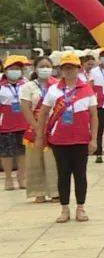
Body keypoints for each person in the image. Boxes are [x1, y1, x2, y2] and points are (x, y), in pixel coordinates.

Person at [36, 52, 97, 223]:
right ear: (61, 70)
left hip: (80, 139)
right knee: (63, 174)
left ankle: (80, 207)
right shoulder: (54, 90)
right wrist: (40, 136)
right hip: (59, 140)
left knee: (80, 174)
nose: (69, 71)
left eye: (72, 67)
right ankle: (64, 208)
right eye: (66, 68)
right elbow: (43, 113)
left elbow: (94, 115)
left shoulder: (86, 89)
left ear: (78, 69)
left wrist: (93, 139)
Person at [20, 56, 58, 203]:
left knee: (53, 161)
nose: (45, 69)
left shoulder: (57, 85)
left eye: (48, 66)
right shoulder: (28, 86)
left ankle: (55, 191)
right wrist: (37, 127)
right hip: (34, 128)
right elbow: (25, 109)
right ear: (35, 68)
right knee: (34, 160)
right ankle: (38, 191)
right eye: (42, 66)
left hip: (52, 127)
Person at [1, 55, 29, 191]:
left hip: (23, 122)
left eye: (18, 68)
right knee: (6, 152)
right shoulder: (1, 85)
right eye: (12, 68)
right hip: (5, 123)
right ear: (5, 70)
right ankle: (8, 178)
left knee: (22, 150)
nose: (15, 71)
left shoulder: (25, 83)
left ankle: (21, 177)